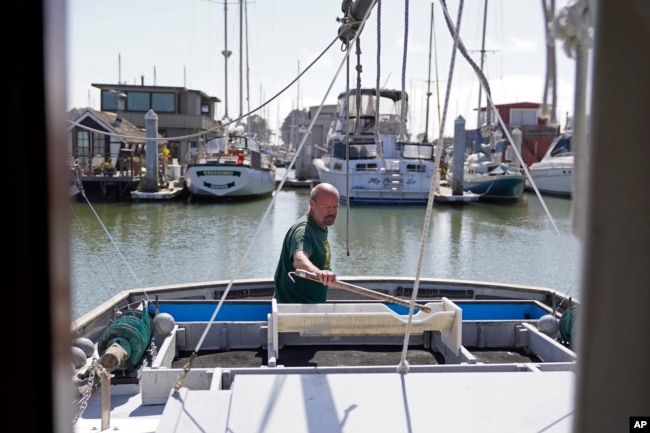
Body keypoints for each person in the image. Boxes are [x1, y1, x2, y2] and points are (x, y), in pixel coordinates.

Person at [274, 183, 340, 303]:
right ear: (312, 204)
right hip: (294, 311)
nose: (332, 212)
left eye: (335, 207)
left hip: (312, 308)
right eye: (326, 207)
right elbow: (299, 259)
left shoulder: (320, 227)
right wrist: (319, 273)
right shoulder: (304, 232)